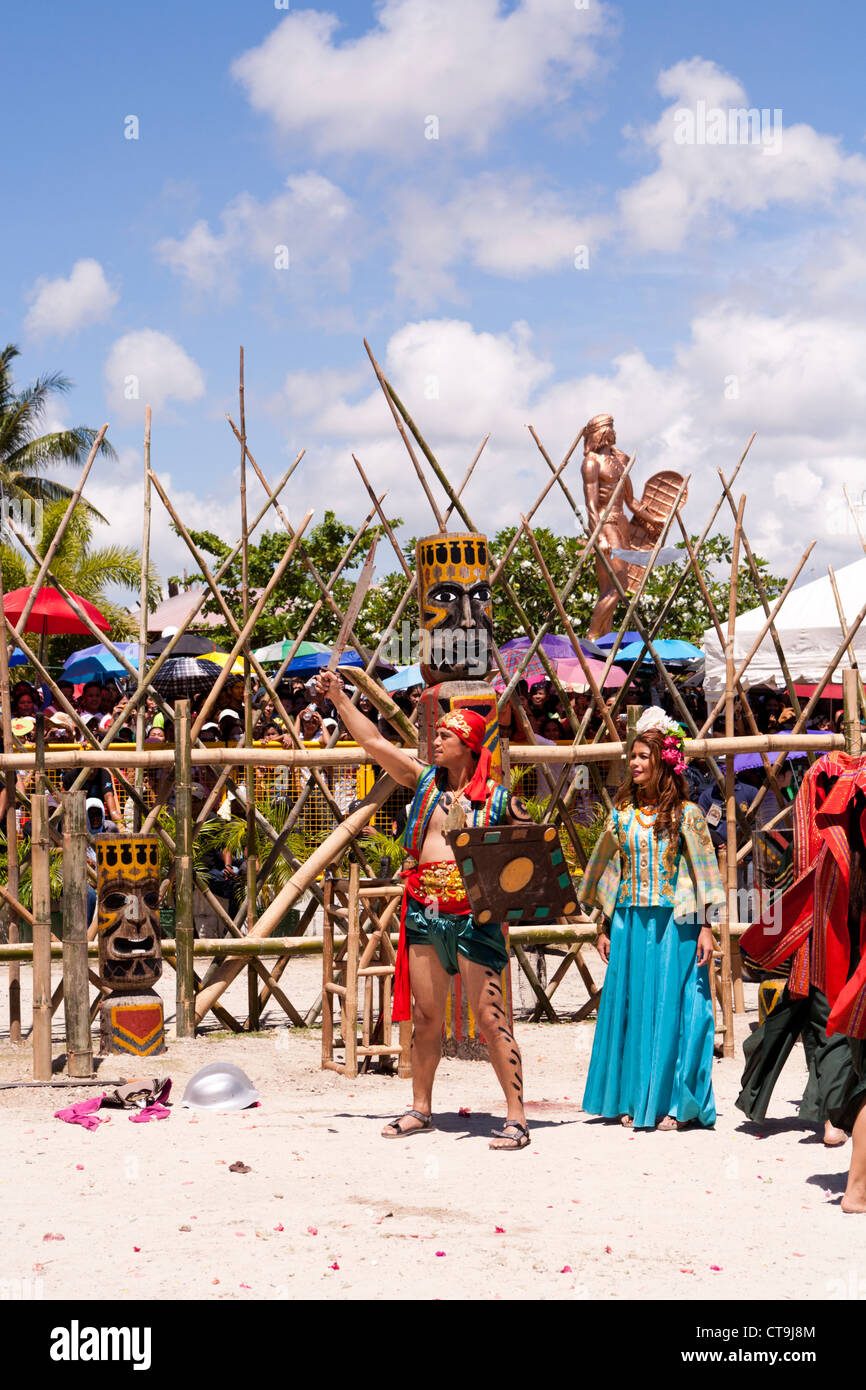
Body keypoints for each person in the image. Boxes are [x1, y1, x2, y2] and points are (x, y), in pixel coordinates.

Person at [315, 668, 531, 1151]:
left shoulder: (499, 801)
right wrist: (339, 698)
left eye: (445, 736)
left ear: (470, 745)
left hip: (474, 916)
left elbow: (532, 854)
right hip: (425, 911)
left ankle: (516, 1116)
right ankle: (421, 1107)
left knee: (491, 1016)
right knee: (425, 1015)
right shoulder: (424, 784)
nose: (434, 742)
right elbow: (373, 742)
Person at [579, 708, 726, 1130]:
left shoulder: (687, 815)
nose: (636, 763)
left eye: (644, 756)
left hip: (675, 925)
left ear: (664, 762)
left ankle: (675, 1104)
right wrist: (604, 926)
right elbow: (608, 869)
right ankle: (632, 1096)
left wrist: (705, 927)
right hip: (628, 924)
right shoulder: (621, 815)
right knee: (631, 1008)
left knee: (675, 1009)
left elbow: (705, 874)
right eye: (634, 756)